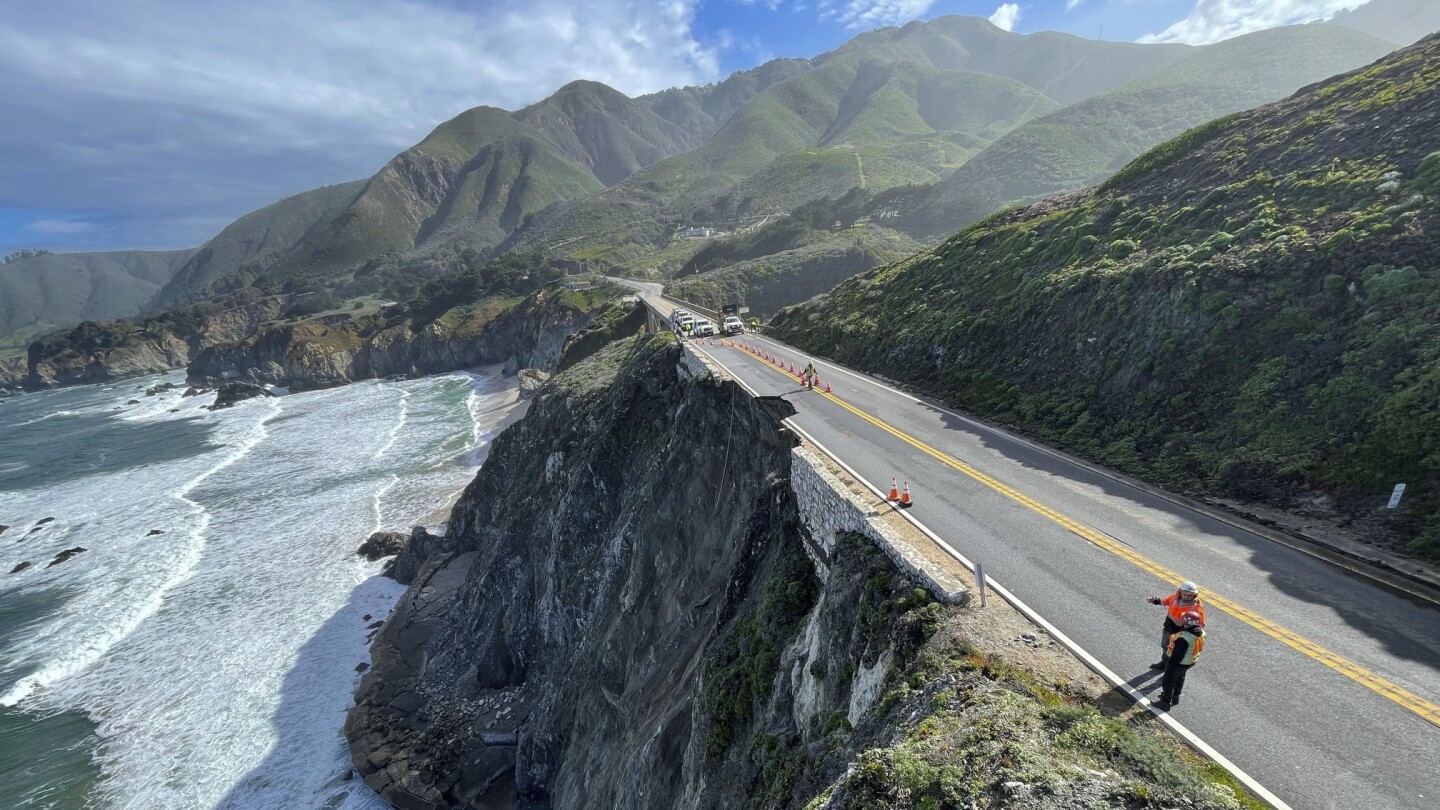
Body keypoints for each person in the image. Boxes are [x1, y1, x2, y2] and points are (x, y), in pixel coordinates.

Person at [1146, 580, 1205, 669]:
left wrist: (1194, 630)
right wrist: (1154, 600)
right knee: (1166, 647)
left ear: (1195, 594)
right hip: (1168, 628)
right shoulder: (1176, 597)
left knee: (1175, 652)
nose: (1186, 597)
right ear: (1181, 592)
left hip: (1180, 633)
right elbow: (1166, 601)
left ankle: (1169, 670)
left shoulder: (1197, 607)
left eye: (1190, 595)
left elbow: (1201, 623)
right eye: (1184, 594)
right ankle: (1164, 663)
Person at [1157, 610, 1205, 708]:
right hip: (1190, 661)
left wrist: (1170, 663)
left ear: (1185, 623)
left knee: (1168, 681)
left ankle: (1166, 702)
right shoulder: (1202, 633)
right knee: (1180, 678)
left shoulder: (1184, 637)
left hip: (1179, 662)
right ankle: (1175, 697)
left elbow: (1178, 655)